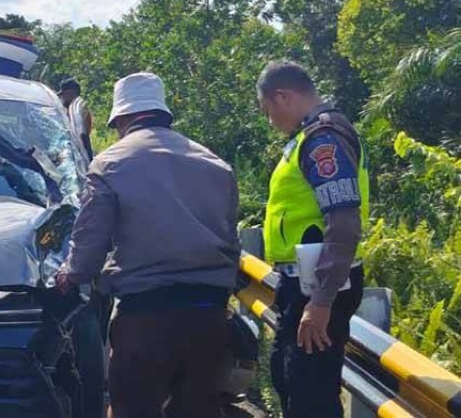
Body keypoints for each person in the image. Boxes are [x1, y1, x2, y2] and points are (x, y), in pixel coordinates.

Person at [55, 72, 241, 418]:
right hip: (210, 319)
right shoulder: (215, 164)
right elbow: (231, 242)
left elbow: (89, 245)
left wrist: (70, 274)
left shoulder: (109, 163)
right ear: (164, 114)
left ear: (121, 119)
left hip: (146, 319)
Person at [256, 61, 369, 417]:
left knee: (312, 399)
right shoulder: (308, 137)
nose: (270, 120)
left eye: (267, 110)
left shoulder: (324, 140)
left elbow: (344, 223)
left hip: (319, 288)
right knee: (291, 379)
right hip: (304, 285)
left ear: (282, 97)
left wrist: (320, 302)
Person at [58, 77, 94, 160]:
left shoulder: (80, 111)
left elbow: (85, 133)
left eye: (66, 94)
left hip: (81, 148)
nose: (63, 97)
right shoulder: (63, 110)